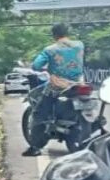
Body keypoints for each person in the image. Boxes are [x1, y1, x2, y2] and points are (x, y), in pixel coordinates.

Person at [25, 23, 85, 156]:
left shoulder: (50, 49)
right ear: (67, 32)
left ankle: (35, 147)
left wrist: (47, 68)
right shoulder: (80, 44)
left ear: (54, 35)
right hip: (78, 84)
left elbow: (36, 65)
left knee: (39, 113)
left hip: (58, 85)